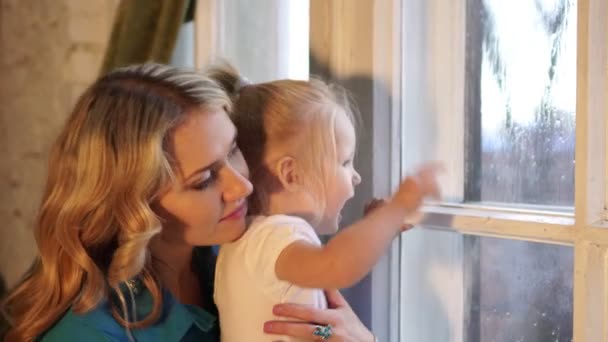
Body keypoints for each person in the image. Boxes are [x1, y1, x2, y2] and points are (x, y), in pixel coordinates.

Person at [1, 63, 375, 342]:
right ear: (137, 204)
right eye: (204, 180)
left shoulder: (239, 246)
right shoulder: (93, 334)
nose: (241, 186)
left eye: (233, 151)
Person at [207, 64, 441, 341]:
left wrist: (372, 229)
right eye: (344, 162)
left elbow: (327, 267)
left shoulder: (247, 241)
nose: (356, 177)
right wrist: (394, 211)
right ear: (291, 174)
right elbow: (336, 265)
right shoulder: (276, 236)